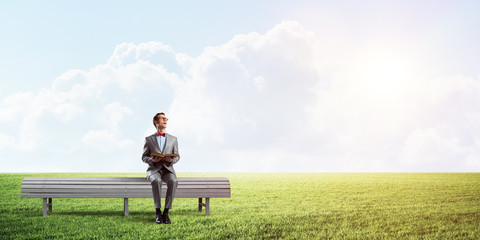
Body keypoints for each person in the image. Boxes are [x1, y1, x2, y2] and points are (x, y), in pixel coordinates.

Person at [142, 112, 180, 224]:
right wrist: (152, 160)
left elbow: (178, 156)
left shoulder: (173, 139)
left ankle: (166, 212)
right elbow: (144, 157)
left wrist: (171, 160)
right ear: (155, 121)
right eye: (162, 118)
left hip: (168, 169)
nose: (165, 120)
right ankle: (158, 212)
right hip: (154, 170)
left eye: (166, 118)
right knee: (156, 180)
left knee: (173, 180)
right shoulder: (148, 139)